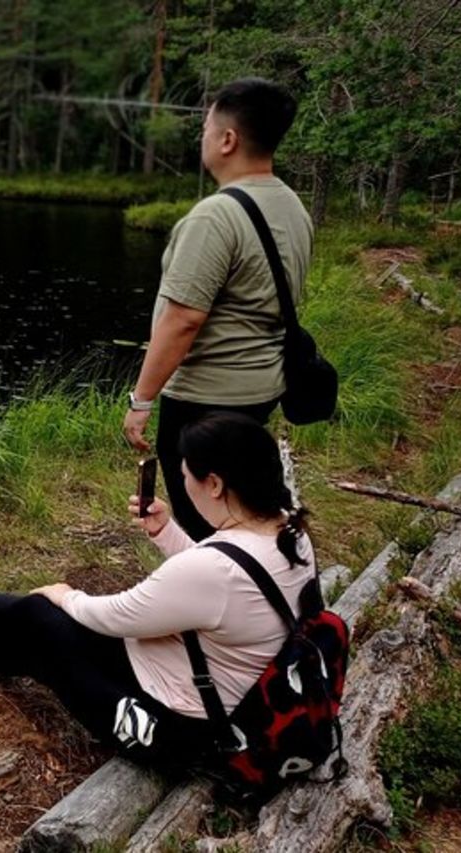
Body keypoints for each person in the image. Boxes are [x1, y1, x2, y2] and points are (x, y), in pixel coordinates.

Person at [0, 412, 315, 770]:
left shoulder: (213, 571)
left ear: (215, 484)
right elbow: (223, 583)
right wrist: (166, 532)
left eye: (186, 475)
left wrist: (65, 594)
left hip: (182, 731)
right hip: (209, 687)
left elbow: (118, 615)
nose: (182, 483)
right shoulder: (287, 531)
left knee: (44, 625)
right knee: (34, 627)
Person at [122, 78, 313, 541]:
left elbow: (183, 320)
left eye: (206, 128)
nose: (203, 137)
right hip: (260, 390)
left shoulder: (215, 217)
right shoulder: (292, 207)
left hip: (204, 400)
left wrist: (141, 401)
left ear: (228, 139)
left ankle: (217, 585)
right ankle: (266, 571)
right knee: (242, 510)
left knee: (202, 523)